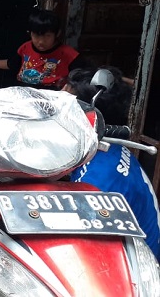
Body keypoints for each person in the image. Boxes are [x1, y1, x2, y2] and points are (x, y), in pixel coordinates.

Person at [65, 67, 160, 259]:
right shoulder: (110, 149)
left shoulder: (95, 182)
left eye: (65, 108)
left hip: (134, 266)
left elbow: (82, 250)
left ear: (91, 118)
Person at [0, 10, 86, 88]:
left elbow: (84, 78)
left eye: (47, 36)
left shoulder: (69, 55)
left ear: (57, 34)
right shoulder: (25, 48)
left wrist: (72, 89)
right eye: (36, 36)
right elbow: (11, 64)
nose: (41, 42)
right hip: (23, 94)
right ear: (30, 33)